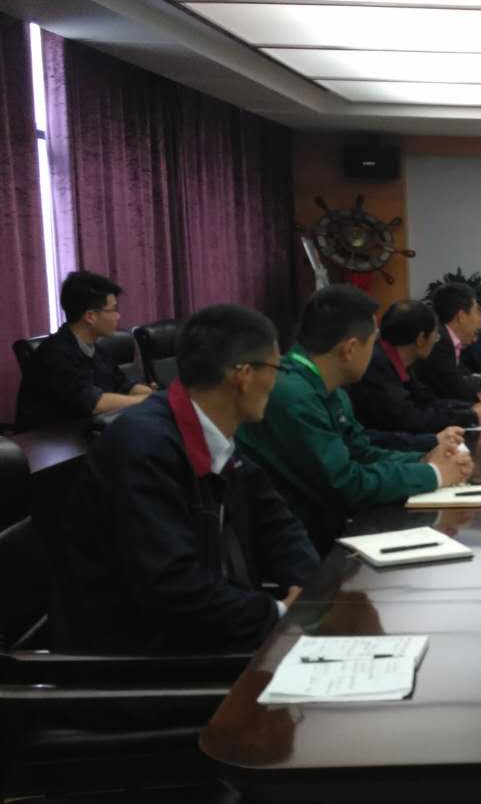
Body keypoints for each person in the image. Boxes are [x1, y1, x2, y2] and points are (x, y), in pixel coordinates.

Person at [53, 304, 319, 655]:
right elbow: (171, 587)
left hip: (203, 627)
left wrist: (311, 589)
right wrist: (277, 613)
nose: (276, 381)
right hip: (140, 659)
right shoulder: (145, 448)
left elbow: (274, 520)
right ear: (243, 375)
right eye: (275, 368)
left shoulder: (207, 430)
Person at [237, 285, 471, 548]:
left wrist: (423, 459)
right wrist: (432, 474)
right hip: (300, 543)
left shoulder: (329, 388)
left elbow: (362, 452)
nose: (375, 351)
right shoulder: (294, 396)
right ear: (349, 349)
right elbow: (345, 485)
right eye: (372, 342)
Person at [15, 270, 154, 430]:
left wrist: (153, 395)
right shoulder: (55, 354)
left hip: (88, 431)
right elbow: (93, 403)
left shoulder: (97, 350)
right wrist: (145, 401)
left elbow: (124, 385)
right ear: (90, 317)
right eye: (113, 310)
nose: (118, 316)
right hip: (51, 440)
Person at [350, 300, 481, 435]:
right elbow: (409, 419)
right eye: (436, 336)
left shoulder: (400, 359)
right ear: (421, 339)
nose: (435, 342)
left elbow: (425, 401)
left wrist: (470, 407)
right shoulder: (377, 366)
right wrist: (471, 416)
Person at [412, 282, 481, 401]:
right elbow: (458, 390)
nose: (480, 315)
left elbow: (466, 377)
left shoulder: (450, 340)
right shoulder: (439, 341)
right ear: (462, 316)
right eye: (475, 310)